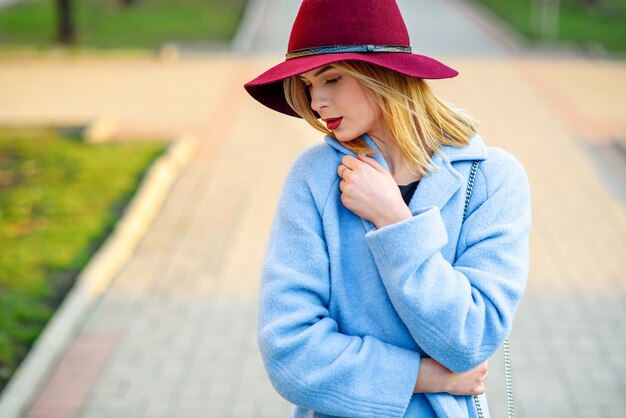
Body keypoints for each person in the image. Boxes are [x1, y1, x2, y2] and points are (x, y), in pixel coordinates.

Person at [244, 1, 531, 417]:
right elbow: (289, 352)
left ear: (383, 75)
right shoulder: (313, 179)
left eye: (332, 78)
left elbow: (472, 337)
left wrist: (394, 220)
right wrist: (424, 377)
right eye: (308, 84)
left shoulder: (492, 179)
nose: (317, 101)